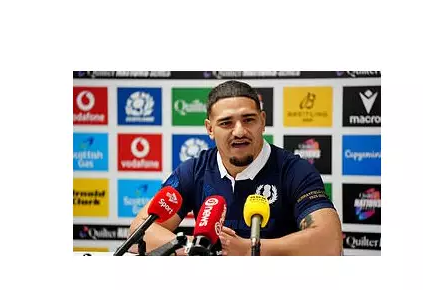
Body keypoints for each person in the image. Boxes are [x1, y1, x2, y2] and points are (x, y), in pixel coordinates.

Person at [127, 80, 342, 255]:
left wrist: (250, 249)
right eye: (226, 123)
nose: (239, 131)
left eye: (248, 120)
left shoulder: (295, 170)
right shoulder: (194, 170)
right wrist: (197, 247)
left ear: (262, 121)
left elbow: (329, 242)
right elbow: (138, 234)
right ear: (210, 129)